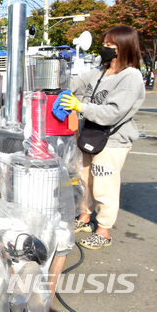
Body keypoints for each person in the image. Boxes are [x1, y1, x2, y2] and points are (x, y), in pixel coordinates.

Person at [60, 25, 145, 249]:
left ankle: (104, 230)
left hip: (112, 140)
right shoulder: (100, 72)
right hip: (91, 134)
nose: (104, 49)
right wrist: (53, 81)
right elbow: (74, 83)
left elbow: (113, 113)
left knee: (104, 185)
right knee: (85, 179)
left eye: (110, 46)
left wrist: (80, 106)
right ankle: (85, 217)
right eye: (104, 44)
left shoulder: (131, 77)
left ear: (124, 48)